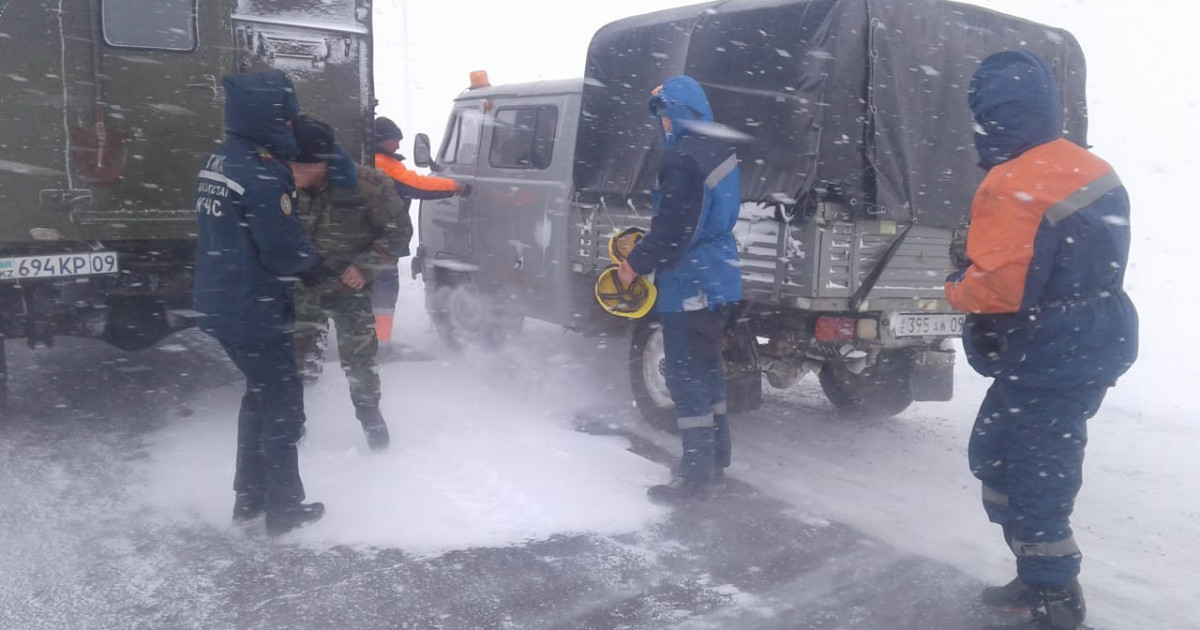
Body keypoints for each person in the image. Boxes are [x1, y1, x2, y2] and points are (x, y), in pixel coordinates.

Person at [946, 50, 1138, 630]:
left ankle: (1055, 598)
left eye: (981, 117)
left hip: (1049, 344)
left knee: (1028, 464)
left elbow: (1000, 289)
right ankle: (1035, 575)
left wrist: (957, 286)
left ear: (995, 116)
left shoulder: (1014, 181)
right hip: (1093, 333)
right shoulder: (1089, 166)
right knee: (1015, 455)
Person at [192, 69, 325, 536]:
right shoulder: (263, 173)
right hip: (253, 306)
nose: (290, 125)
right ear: (271, 117)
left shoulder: (222, 159)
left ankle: (249, 499)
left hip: (221, 299)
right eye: (286, 117)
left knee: (260, 396)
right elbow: (282, 251)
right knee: (283, 404)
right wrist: (317, 269)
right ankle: (284, 509)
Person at [619, 75, 743, 503]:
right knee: (707, 373)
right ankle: (715, 460)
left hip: (691, 280)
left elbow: (676, 229)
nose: (664, 125)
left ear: (683, 112)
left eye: (666, 114)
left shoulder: (683, 158)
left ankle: (695, 478)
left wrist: (634, 264)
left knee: (687, 380)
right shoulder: (718, 149)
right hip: (720, 275)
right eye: (659, 117)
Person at [290, 116, 409, 451]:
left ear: (317, 163)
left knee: (360, 362)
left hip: (349, 289)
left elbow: (399, 233)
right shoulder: (284, 185)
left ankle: (372, 423)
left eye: (294, 163)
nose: (288, 169)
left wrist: (364, 265)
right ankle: (291, 425)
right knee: (289, 362)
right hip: (303, 287)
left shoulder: (368, 185)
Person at [371, 116, 461, 345]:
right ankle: (380, 343)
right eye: (394, 141)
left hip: (370, 239)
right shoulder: (381, 163)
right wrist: (455, 186)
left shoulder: (369, 160)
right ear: (381, 141)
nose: (398, 146)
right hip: (381, 242)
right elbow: (416, 185)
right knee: (384, 289)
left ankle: (369, 340)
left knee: (371, 290)